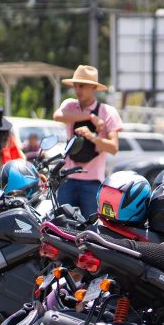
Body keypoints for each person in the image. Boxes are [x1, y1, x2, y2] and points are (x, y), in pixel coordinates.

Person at [53, 64, 122, 217]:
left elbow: (113, 148)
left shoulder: (107, 112)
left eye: (82, 86)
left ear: (94, 87)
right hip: (67, 179)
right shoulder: (70, 105)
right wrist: (90, 117)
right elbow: (57, 116)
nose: (78, 90)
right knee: (62, 224)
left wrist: (92, 136)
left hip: (92, 181)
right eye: (76, 85)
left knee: (92, 226)